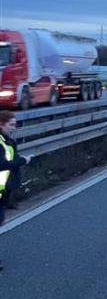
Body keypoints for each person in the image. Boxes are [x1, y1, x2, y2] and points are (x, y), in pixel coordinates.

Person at [0, 110, 31, 269]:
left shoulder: (6, 141)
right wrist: (22, 161)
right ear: (1, 124)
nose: (14, 128)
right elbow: (2, 164)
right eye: (11, 124)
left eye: (15, 125)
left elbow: (8, 159)